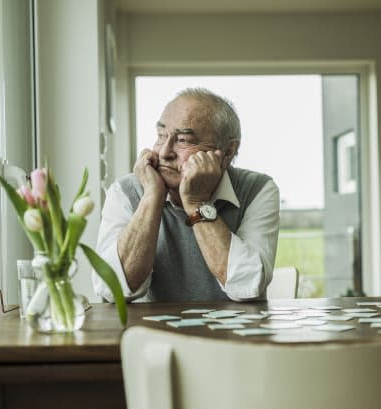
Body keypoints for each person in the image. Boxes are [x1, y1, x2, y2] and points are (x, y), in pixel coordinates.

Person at [93, 88, 279, 302]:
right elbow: (112, 289)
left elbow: (247, 286)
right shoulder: (125, 192)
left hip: (234, 334)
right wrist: (152, 197)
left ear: (227, 152)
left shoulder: (258, 189)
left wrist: (197, 203)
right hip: (149, 335)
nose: (164, 152)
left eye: (183, 140)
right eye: (161, 136)